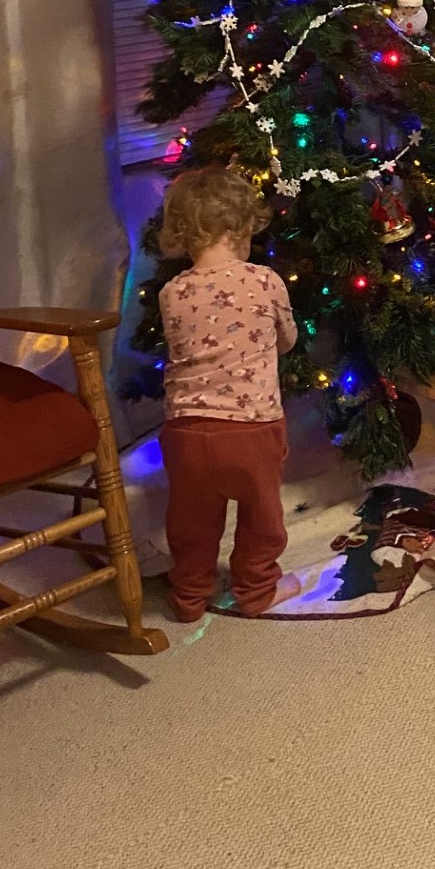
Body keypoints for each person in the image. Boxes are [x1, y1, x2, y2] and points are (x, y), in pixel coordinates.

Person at [157, 166, 302, 622]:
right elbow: (287, 339)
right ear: (242, 228)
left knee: (191, 521)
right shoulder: (265, 281)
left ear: (182, 232)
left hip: (185, 432)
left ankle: (189, 597)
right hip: (252, 429)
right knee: (262, 519)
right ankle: (257, 590)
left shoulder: (172, 291)